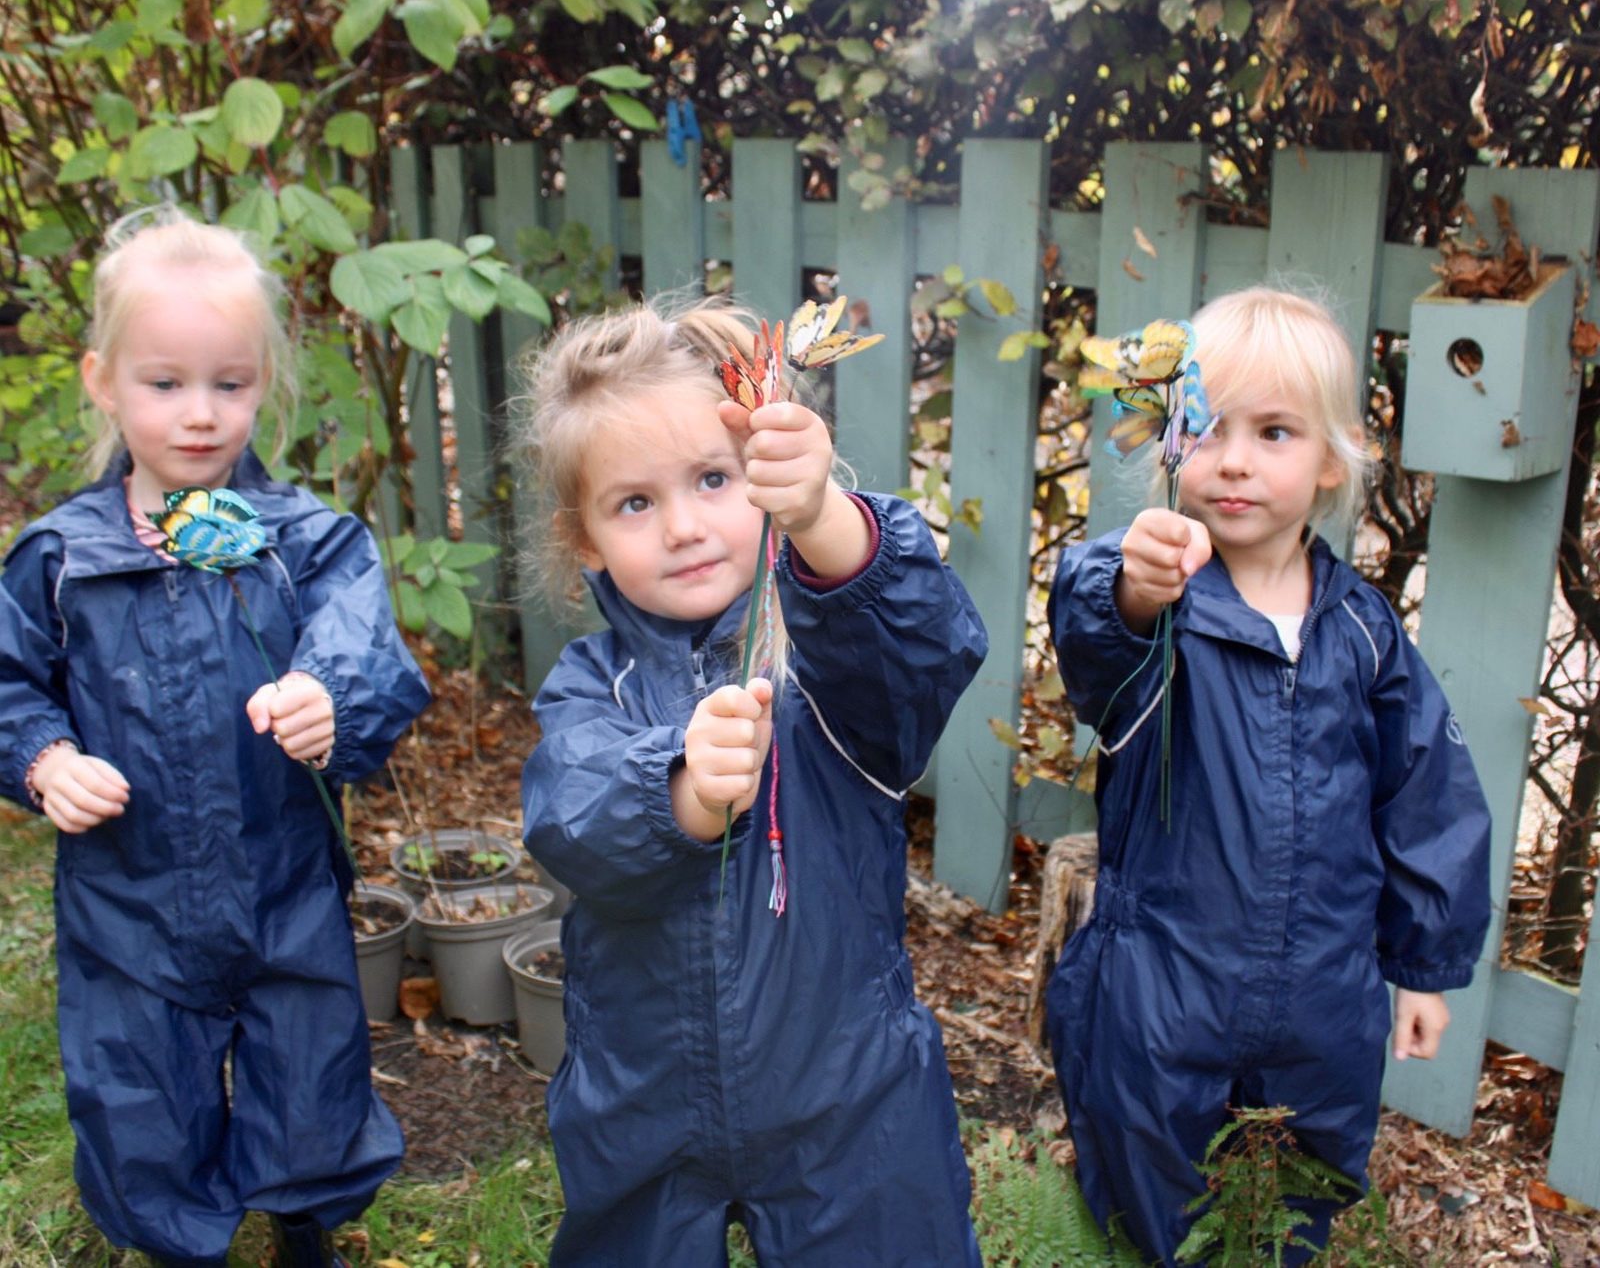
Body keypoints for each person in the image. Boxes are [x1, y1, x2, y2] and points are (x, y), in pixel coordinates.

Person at [515, 299, 989, 1266]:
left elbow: (926, 650)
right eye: (635, 502)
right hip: (643, 1093)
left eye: (713, 479)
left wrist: (825, 522)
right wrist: (682, 789)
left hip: (847, 1094)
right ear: (588, 538)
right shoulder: (589, 686)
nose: (684, 526)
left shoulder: (829, 658)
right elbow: (569, 820)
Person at [0, 208, 430, 1268]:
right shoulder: (62, 558)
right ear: (104, 381)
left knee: (309, 1076)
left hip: (282, 881)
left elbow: (368, 652)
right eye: (165, 383)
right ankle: (173, 1240)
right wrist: (44, 757)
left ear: (263, 381)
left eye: (228, 384)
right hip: (129, 898)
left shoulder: (306, 542)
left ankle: (302, 1229)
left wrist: (329, 697)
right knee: (141, 1092)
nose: (200, 414)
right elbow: (6, 681)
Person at [1046, 287, 1491, 1264]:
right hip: (1162, 980)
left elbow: (1425, 795)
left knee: (1297, 1180)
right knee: (1142, 1184)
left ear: (1332, 458)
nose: (1234, 459)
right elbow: (1092, 652)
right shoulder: (1155, 600)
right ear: (1169, 442)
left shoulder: (1363, 630)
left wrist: (1421, 967)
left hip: (1323, 994)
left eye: (1275, 431)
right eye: (1205, 429)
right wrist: (1128, 587)